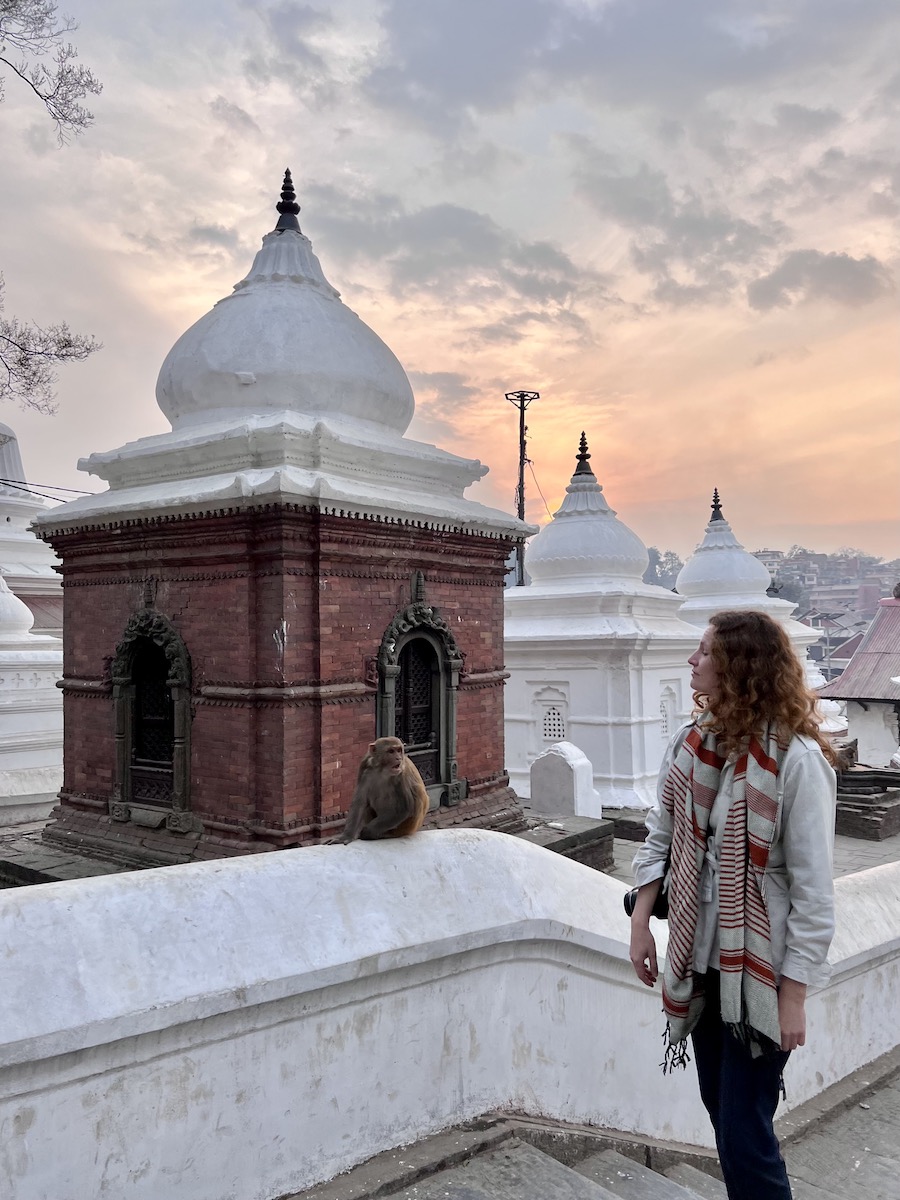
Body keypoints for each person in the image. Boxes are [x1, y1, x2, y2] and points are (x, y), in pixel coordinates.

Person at [629, 610, 836, 1200]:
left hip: (760, 982)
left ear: (737, 667)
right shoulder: (692, 744)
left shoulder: (797, 762)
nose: (691, 662)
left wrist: (793, 998)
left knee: (746, 1134)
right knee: (723, 1119)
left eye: (703, 652)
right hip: (701, 967)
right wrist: (642, 921)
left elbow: (815, 893)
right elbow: (660, 835)